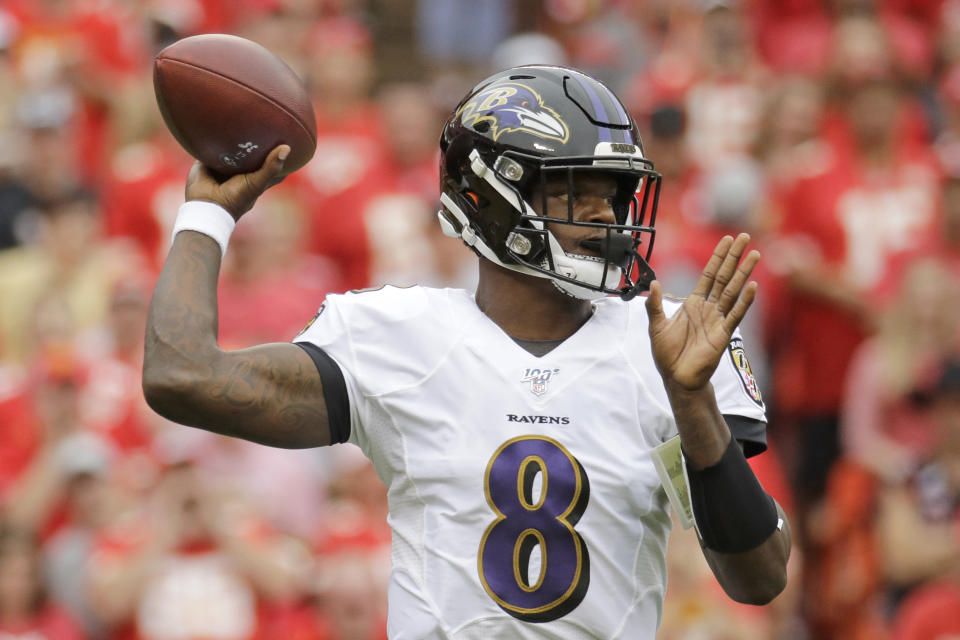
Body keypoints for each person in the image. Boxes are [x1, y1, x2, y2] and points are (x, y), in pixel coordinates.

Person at [142, 65, 790, 639]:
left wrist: (693, 406)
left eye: (615, 194)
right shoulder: (396, 335)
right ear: (490, 198)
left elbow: (757, 579)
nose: (609, 218)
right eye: (577, 192)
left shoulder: (668, 343)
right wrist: (207, 215)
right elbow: (182, 375)